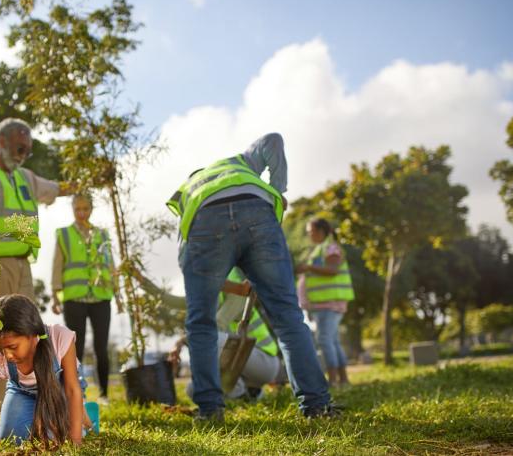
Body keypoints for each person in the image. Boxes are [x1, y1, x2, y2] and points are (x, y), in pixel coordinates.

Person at [166, 132, 335, 421]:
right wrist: (277, 189)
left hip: (206, 224)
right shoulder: (239, 163)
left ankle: (210, 410)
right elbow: (273, 139)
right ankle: (317, 406)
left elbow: (186, 245)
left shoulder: (188, 190)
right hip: (258, 214)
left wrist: (194, 275)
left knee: (201, 323)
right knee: (287, 317)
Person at [0, 117, 74, 415]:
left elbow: (56, 188)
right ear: (2, 141)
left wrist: (86, 183)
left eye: (27, 151)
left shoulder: (25, 177)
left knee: (27, 331)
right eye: (20, 148)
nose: (23, 154)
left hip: (22, 265)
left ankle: (25, 398)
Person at [0, 295, 92, 449]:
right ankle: (41, 414)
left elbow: (72, 390)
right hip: (22, 392)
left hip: (62, 388)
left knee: (55, 438)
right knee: (12, 440)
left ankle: (87, 418)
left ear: (33, 335)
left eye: (13, 347)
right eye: (0, 348)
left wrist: (75, 443)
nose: (7, 355)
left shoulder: (59, 337)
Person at [142, 267, 282, 401]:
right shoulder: (209, 290)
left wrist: (181, 341)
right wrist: (141, 280)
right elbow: (173, 301)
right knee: (194, 390)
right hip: (242, 365)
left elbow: (216, 326)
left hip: (264, 361)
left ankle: (239, 394)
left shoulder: (233, 280)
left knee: (207, 338)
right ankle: (252, 392)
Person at [51, 194, 117, 404]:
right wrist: (55, 294)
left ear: (91, 209)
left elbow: (110, 264)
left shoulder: (102, 234)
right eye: (77, 209)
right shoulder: (64, 234)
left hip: (100, 298)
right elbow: (57, 265)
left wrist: (117, 292)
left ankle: (104, 393)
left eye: (85, 209)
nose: (81, 213)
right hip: (74, 298)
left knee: (101, 347)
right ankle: (74, 392)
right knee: (74, 349)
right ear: (72, 209)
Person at [296, 218, 354, 387]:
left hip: (329, 304)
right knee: (332, 340)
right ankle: (343, 380)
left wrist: (307, 268)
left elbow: (332, 270)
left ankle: (334, 380)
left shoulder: (331, 248)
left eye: (311, 231)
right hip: (323, 304)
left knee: (324, 340)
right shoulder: (321, 249)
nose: (309, 235)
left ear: (321, 231)